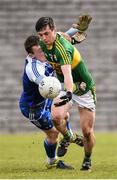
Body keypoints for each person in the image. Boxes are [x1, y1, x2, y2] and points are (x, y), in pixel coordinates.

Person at [35, 15, 96, 171]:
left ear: (54, 30)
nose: (43, 38)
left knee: (87, 132)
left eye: (46, 33)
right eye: (40, 35)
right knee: (56, 117)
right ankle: (69, 138)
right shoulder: (44, 42)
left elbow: (68, 73)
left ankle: (87, 158)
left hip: (82, 87)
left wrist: (69, 92)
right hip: (63, 86)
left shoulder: (62, 48)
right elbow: (66, 35)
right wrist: (76, 30)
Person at [19, 34, 83, 170]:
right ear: (31, 54)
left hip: (46, 99)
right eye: (39, 52)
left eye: (43, 49)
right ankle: (52, 161)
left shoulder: (44, 52)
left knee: (63, 115)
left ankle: (67, 137)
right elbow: (45, 83)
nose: (43, 52)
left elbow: (58, 38)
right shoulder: (33, 68)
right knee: (53, 133)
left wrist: (75, 32)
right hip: (34, 108)